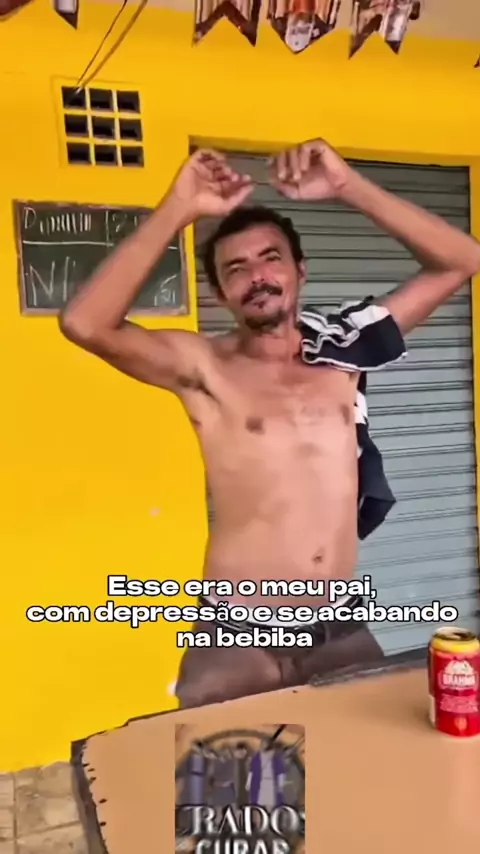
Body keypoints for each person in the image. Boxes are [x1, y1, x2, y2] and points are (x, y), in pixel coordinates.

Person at [59, 139, 480, 709]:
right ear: (219, 294)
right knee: (224, 767)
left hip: (339, 627)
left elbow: (462, 260)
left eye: (270, 258)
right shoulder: (204, 368)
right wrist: (179, 207)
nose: (256, 276)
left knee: (374, 763)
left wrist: (349, 186)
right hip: (237, 637)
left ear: (299, 271)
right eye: (236, 269)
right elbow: (85, 323)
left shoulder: (346, 347)